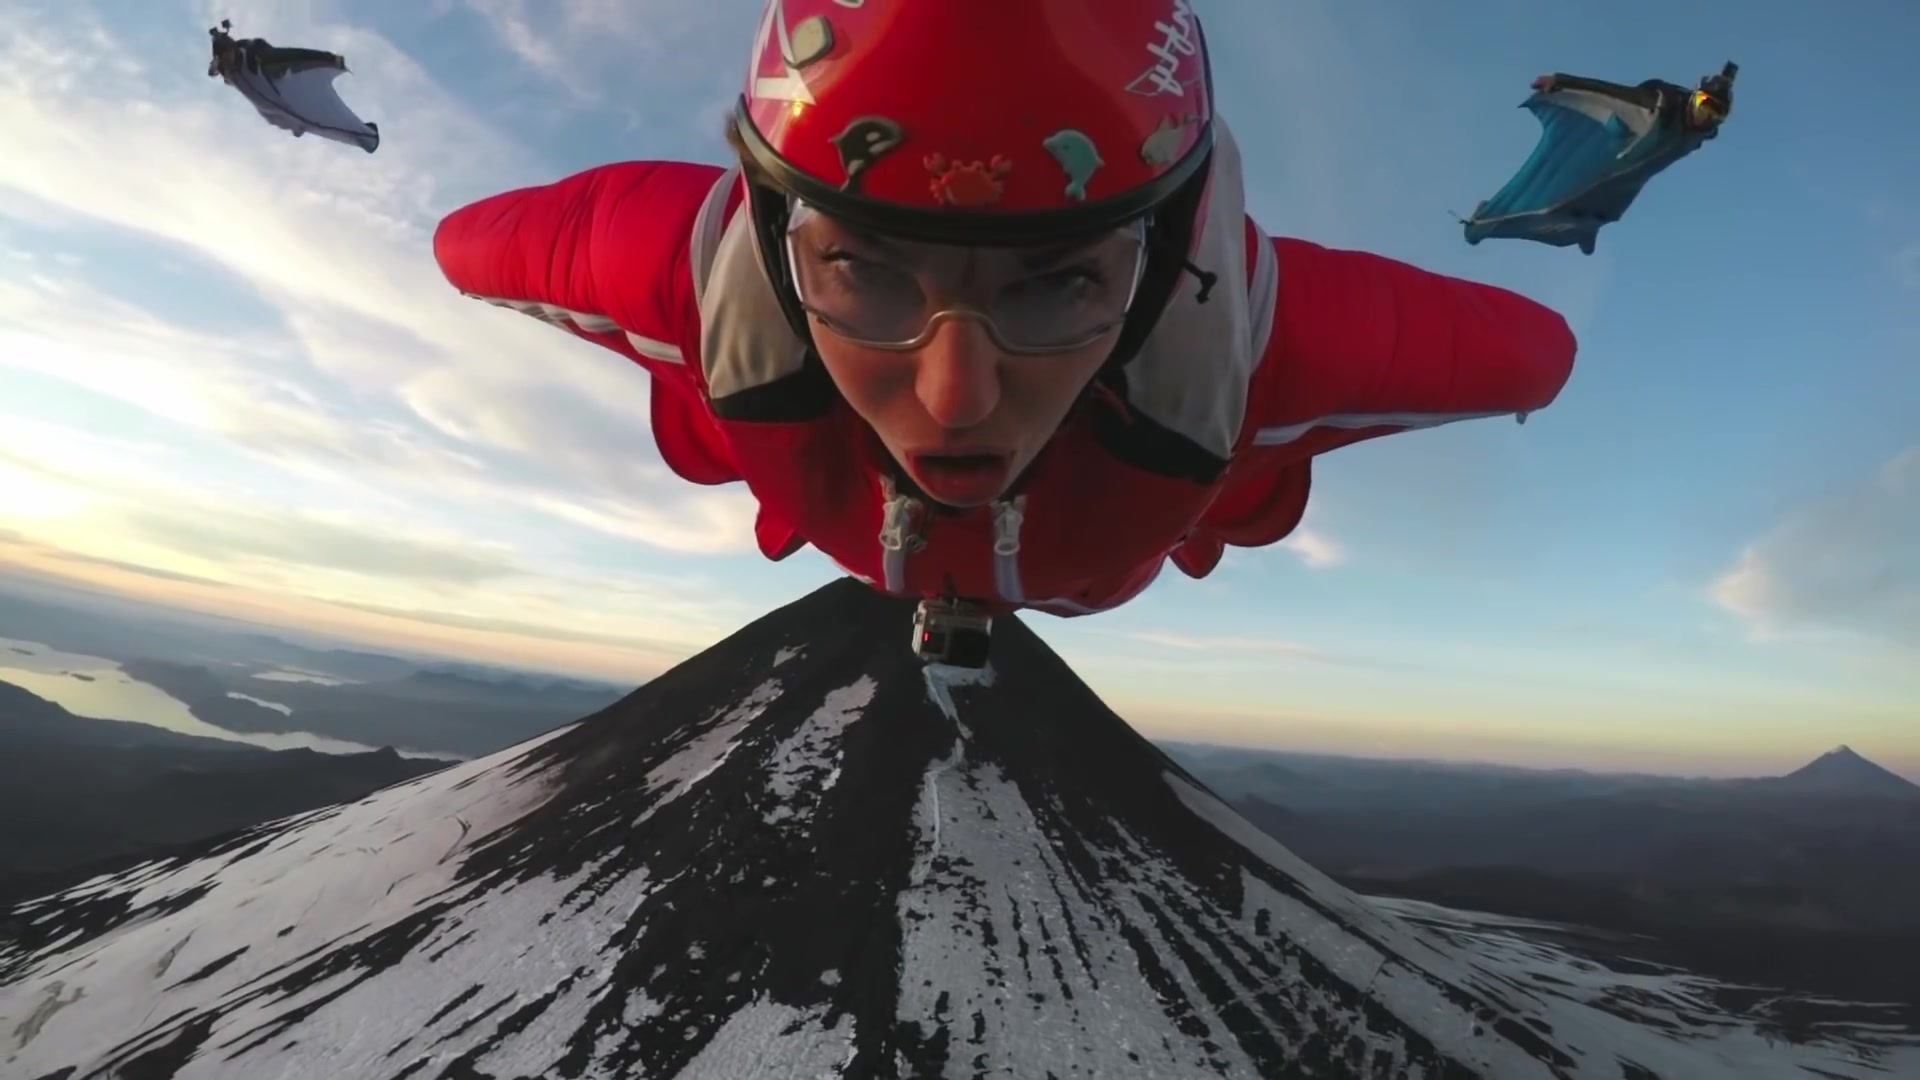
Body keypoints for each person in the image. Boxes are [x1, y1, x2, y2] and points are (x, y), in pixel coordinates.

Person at [432, 0, 1579, 661]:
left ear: (1167, 256)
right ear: (781, 238)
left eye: (1062, 280)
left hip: (902, 497)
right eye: (860, 267)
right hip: (1099, 529)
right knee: (1217, 487)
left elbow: (473, 246)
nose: (955, 396)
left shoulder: (1260, 350)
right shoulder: (1263, 360)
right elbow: (1533, 353)